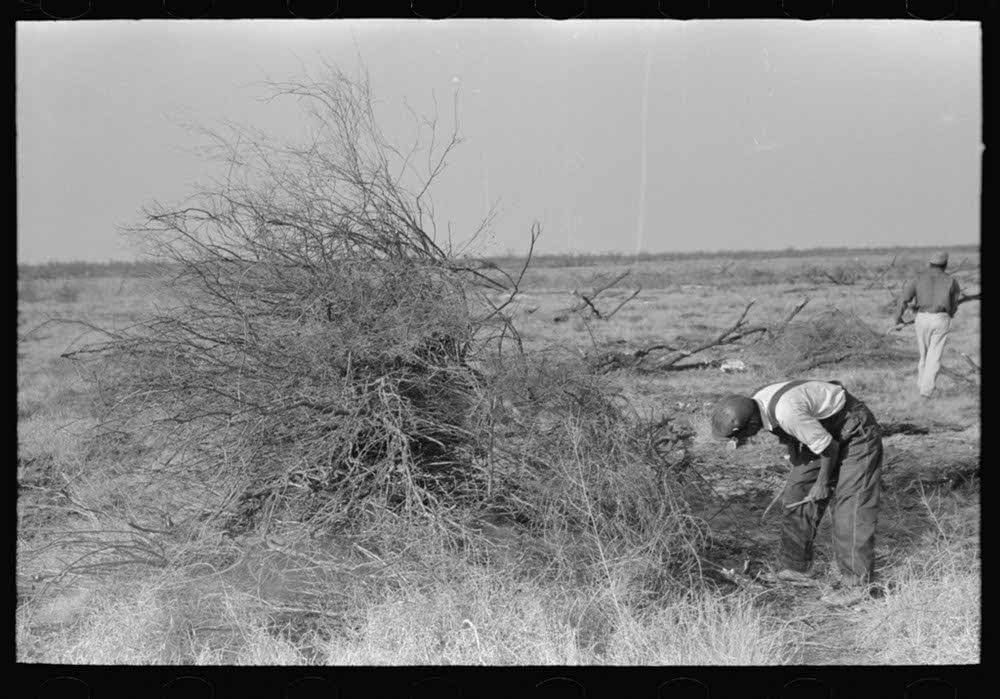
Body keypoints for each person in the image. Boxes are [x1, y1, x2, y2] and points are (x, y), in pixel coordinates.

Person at [710, 379, 883, 606]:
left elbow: (829, 447)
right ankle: (796, 567)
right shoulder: (758, 402)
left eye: (738, 436)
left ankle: (857, 585)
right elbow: (792, 433)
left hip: (854, 431)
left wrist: (822, 483)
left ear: (751, 424)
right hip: (823, 432)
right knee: (797, 492)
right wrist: (795, 455)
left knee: (850, 506)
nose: (739, 441)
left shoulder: (786, 413)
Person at [894, 251, 961, 398]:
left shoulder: (918, 278)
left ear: (930, 263)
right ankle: (926, 392)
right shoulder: (951, 281)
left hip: (922, 318)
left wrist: (898, 319)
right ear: (945, 265)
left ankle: (922, 387)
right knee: (934, 356)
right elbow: (954, 304)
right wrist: (950, 314)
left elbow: (903, 300)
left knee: (924, 355)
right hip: (941, 318)